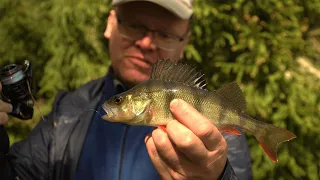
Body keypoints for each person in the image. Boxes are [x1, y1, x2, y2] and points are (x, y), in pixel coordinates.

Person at [0, 0, 252, 179]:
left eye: (164, 33)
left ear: (184, 40)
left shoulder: (218, 135)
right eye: (134, 25)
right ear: (110, 23)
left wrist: (220, 176)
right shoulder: (67, 112)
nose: (146, 43)